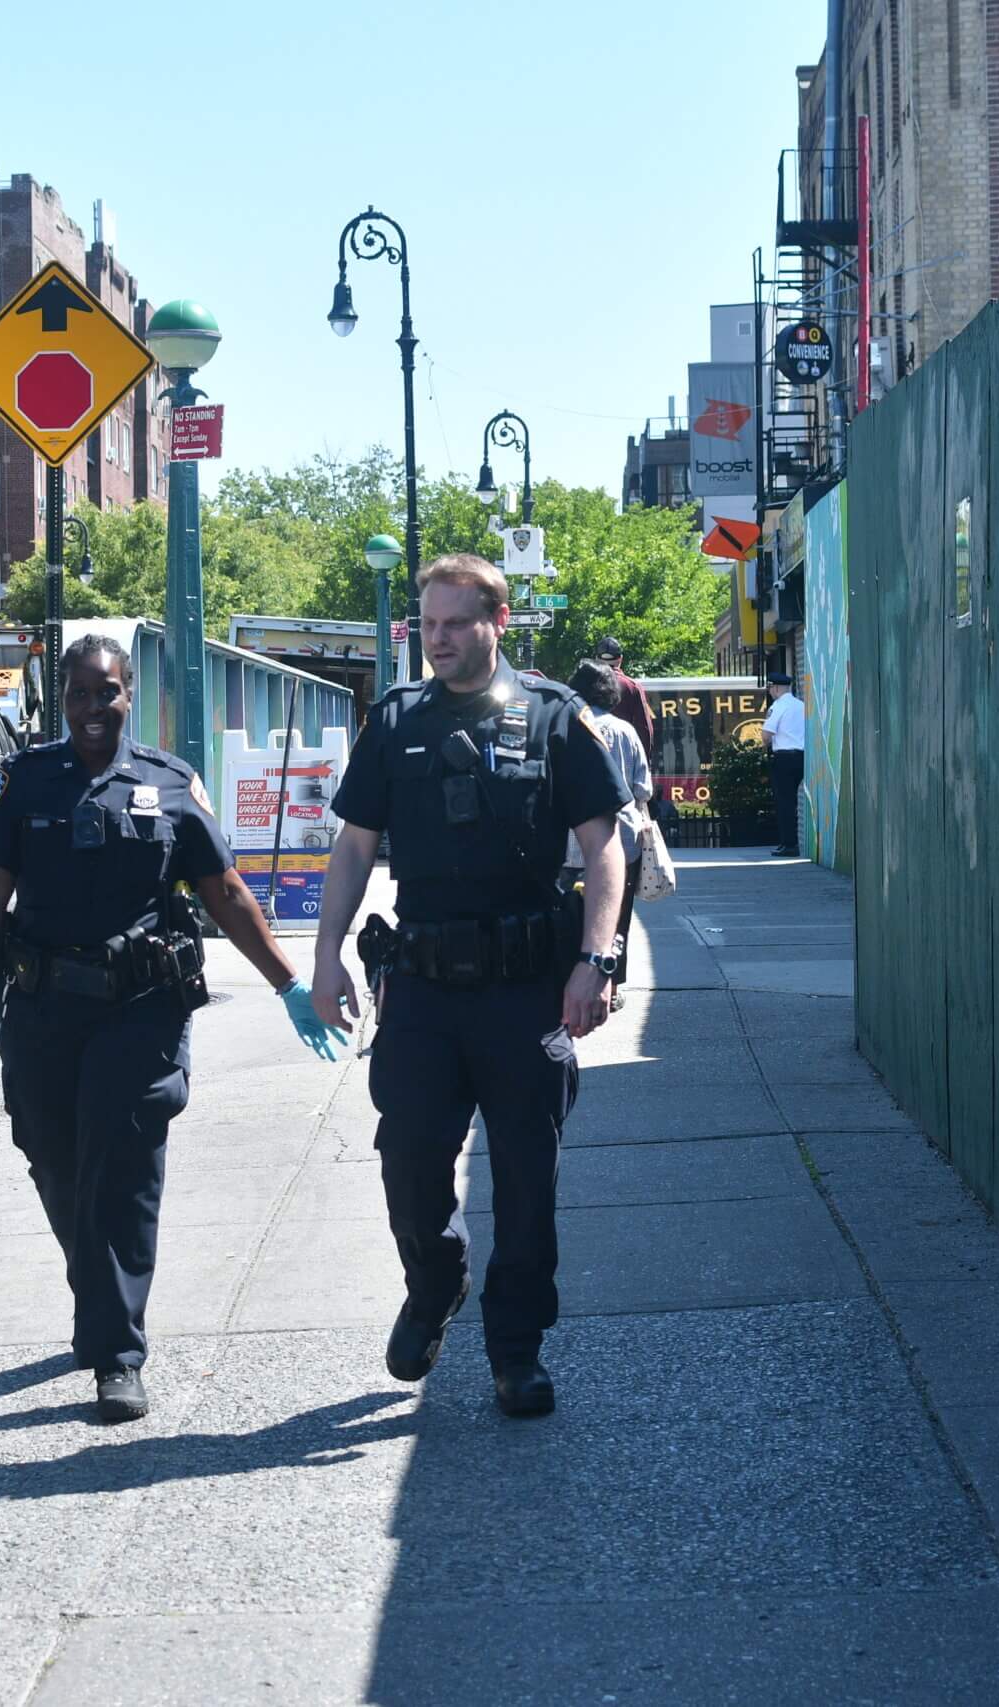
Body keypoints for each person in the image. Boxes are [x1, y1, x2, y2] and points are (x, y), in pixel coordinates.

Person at [0, 632, 345, 1423]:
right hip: (44, 1009)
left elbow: (224, 891)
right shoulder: (28, 783)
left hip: (139, 1011)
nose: (94, 708)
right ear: (64, 700)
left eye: (108, 692)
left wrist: (289, 984)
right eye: (81, 694)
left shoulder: (171, 784)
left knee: (119, 1170)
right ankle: (98, 1287)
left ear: (129, 696)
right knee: (53, 1158)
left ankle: (117, 1355)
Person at [312, 555, 630, 1418]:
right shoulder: (395, 720)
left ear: (498, 618)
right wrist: (326, 951)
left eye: (455, 622)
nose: (437, 639)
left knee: (526, 1177)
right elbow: (352, 846)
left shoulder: (556, 718)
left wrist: (594, 960)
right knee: (409, 1157)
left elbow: (605, 846)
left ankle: (514, 1350)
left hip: (526, 990)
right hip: (420, 988)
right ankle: (436, 1279)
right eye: (427, 624)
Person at [565, 658, 652, 1011]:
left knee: (571, 914)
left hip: (571, 842)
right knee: (617, 916)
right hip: (622, 841)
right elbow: (642, 788)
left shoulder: (568, 728)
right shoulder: (625, 731)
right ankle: (612, 985)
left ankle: (571, 981)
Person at [760, 666, 806, 859]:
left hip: (784, 758)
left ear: (776, 688)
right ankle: (790, 842)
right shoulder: (801, 705)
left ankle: (789, 844)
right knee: (795, 800)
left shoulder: (777, 707)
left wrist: (764, 742)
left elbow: (766, 736)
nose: (770, 692)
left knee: (785, 802)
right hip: (802, 756)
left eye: (770, 688)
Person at [591, 636, 656, 755]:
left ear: (596, 658)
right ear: (620, 659)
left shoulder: (585, 686)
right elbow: (644, 730)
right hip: (624, 756)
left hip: (592, 757)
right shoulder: (632, 687)